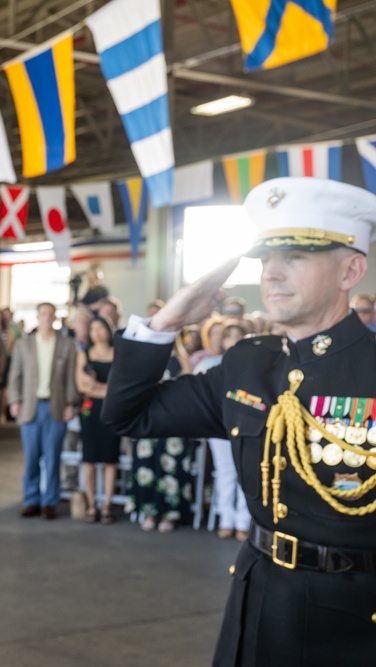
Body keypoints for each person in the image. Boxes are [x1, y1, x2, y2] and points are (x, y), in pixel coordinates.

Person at [103, 177, 376, 665]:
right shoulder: (249, 363)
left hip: (354, 619)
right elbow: (130, 415)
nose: (271, 273)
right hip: (258, 597)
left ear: (350, 270)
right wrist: (165, 323)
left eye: (294, 257)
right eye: (266, 259)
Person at [7, 302, 79, 519]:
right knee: (31, 457)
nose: (47, 317)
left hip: (56, 407)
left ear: (55, 317)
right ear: (37, 317)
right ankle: (31, 500)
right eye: (43, 314)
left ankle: (50, 502)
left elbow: (70, 379)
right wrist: (14, 400)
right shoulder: (23, 344)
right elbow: (15, 376)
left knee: (52, 457)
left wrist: (70, 404)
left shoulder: (66, 345)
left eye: (50, 314)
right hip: (30, 406)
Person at [193, 321, 252, 541]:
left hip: (247, 425)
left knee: (246, 473)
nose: (234, 339)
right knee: (225, 472)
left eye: (239, 335)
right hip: (220, 425)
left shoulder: (254, 366)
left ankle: (243, 521)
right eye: (230, 335)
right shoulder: (211, 363)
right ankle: (226, 518)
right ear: (224, 340)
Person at [75, 315, 120, 524]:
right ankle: (92, 504)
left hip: (112, 410)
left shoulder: (118, 354)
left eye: (100, 328)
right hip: (90, 411)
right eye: (92, 329)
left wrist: (96, 388)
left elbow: (119, 389)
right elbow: (82, 386)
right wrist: (104, 390)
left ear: (107, 330)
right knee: (90, 457)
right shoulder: (84, 354)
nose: (96, 333)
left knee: (110, 458)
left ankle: (107, 505)